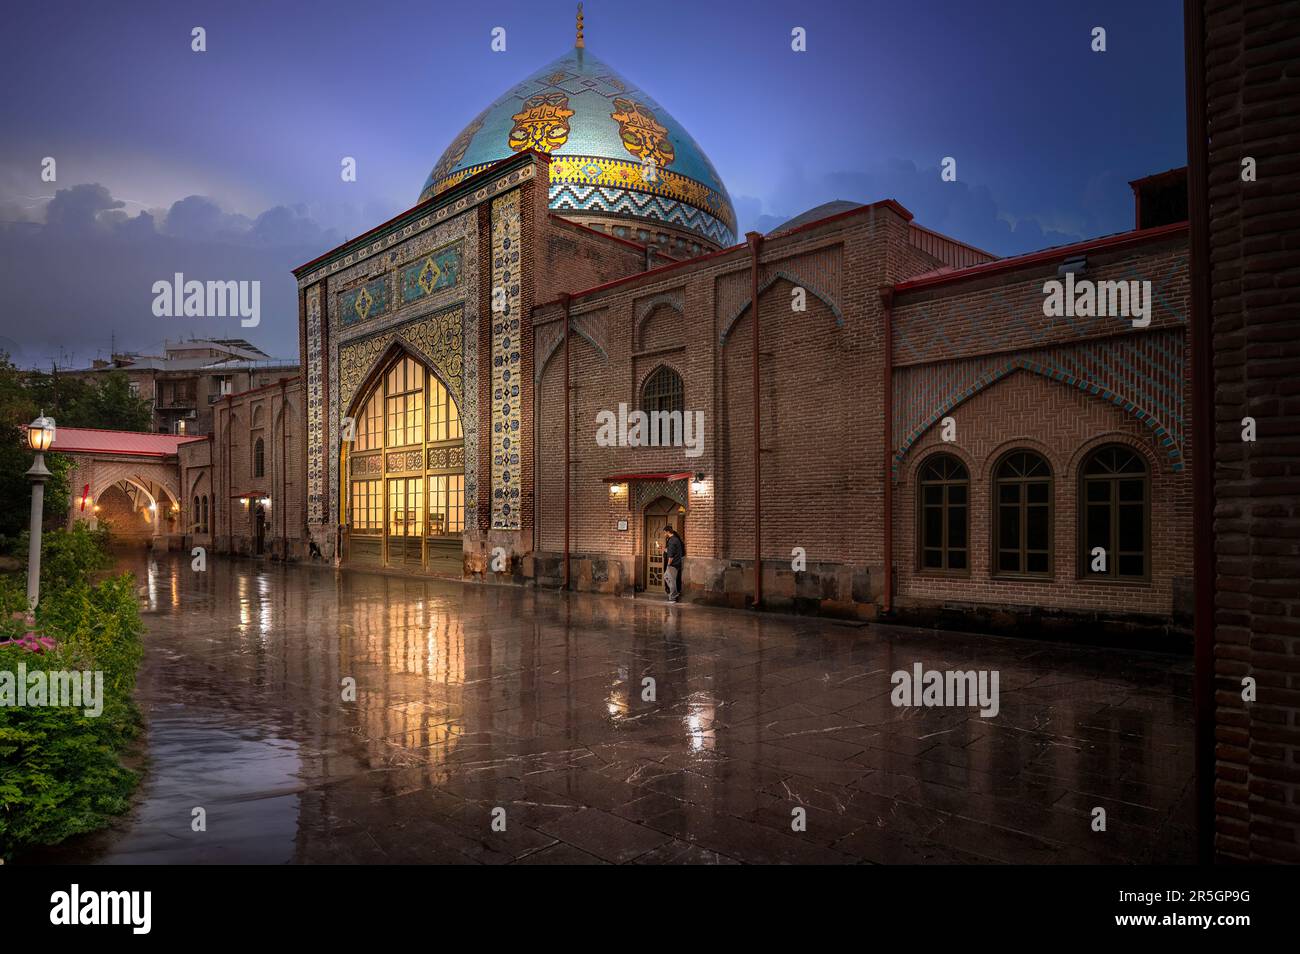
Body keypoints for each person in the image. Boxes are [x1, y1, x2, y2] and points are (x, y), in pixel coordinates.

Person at [662, 525, 685, 602]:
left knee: (671, 580)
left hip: (673, 564)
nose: (664, 535)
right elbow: (672, 551)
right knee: (666, 577)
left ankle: (673, 597)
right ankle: (674, 593)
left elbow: (671, 556)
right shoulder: (676, 539)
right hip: (677, 563)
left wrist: (668, 564)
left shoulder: (672, 541)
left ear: (668, 532)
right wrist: (664, 549)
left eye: (665, 533)